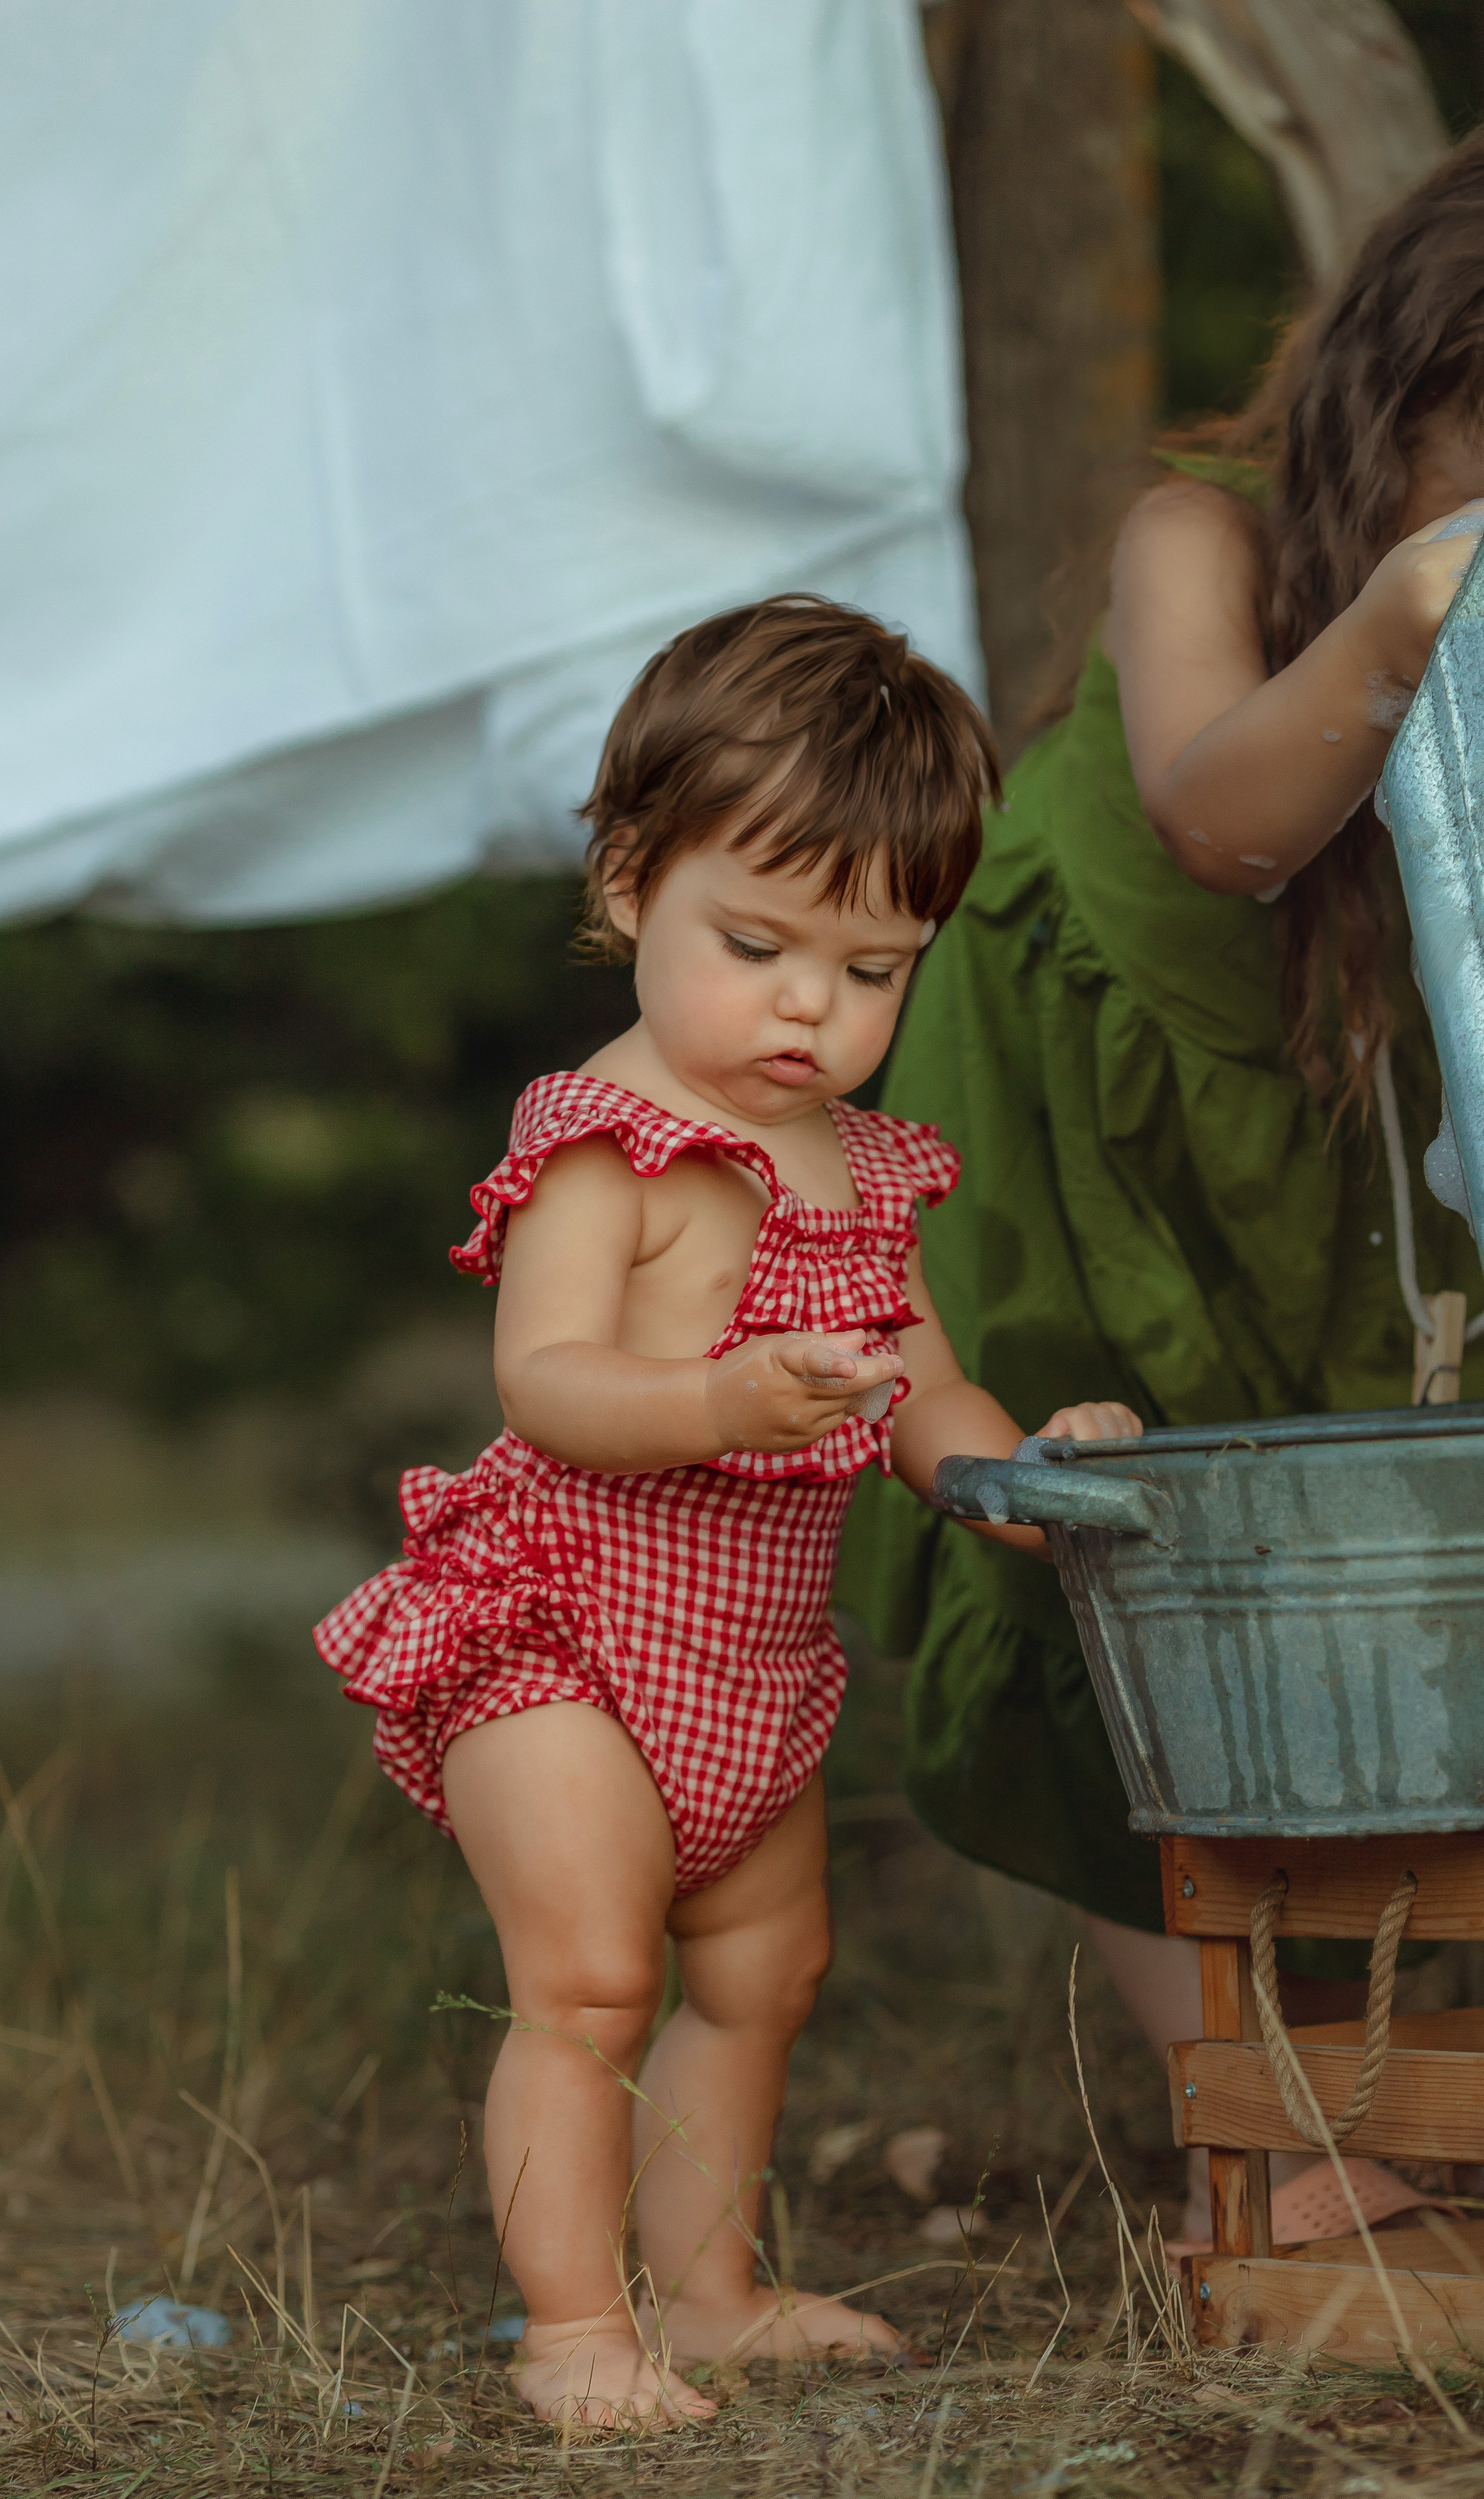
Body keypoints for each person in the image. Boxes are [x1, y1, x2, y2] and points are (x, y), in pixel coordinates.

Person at [316, 597, 1139, 2432]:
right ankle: (573, 2332)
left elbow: (926, 1388)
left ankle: (707, 2295)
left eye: (870, 971)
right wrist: (719, 1401)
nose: (809, 1009)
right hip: (567, 1637)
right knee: (595, 1983)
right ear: (630, 883)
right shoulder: (606, 1133)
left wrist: (1025, 1483)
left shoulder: (862, 1164)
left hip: (751, 1665)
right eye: (756, 945)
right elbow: (547, 1381)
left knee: (765, 1976)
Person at [841, 135, 1484, 2248]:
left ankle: (1353, 2102)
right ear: (1405, 402)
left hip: (1316, 1141)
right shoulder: (1192, 539)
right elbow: (1225, 820)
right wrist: (1416, 592)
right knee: (1096, 1538)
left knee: (1340, 1580)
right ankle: (1281, 2151)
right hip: (1076, 1102)